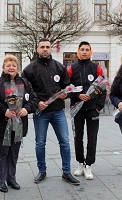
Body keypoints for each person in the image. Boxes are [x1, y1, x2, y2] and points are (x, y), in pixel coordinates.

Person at [22, 38, 80, 185]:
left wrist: (66, 94)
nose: (45, 49)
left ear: (51, 49)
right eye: (42, 47)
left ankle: (66, 172)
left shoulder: (60, 67)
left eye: (47, 47)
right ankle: (42, 170)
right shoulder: (29, 69)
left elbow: (68, 87)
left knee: (65, 142)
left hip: (58, 111)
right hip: (40, 112)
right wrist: (36, 104)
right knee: (40, 143)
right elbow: (25, 92)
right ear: (37, 49)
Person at [0, 54, 38, 193]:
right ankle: (0, 181)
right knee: (1, 153)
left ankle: (11, 178)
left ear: (18, 68)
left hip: (19, 125)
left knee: (14, 153)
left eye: (14, 65)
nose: (11, 68)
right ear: (3, 68)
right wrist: (4, 111)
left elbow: (34, 99)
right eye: (8, 65)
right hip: (2, 125)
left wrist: (27, 108)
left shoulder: (25, 83)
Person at [67, 41, 106, 180]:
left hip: (92, 109)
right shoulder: (72, 68)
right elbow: (67, 88)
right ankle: (80, 163)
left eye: (87, 49)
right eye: (82, 49)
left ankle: (89, 165)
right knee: (78, 137)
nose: (84, 52)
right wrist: (77, 95)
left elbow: (103, 88)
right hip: (77, 109)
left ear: (90, 52)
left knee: (92, 138)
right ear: (78, 51)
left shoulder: (97, 68)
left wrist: (98, 107)